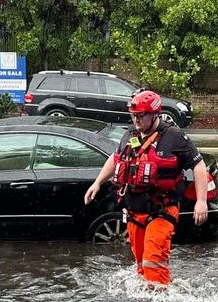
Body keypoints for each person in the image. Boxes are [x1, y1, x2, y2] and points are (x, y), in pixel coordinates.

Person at [83, 90, 208, 285]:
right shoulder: (129, 135)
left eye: (141, 115)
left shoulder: (174, 137)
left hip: (162, 211)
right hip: (134, 212)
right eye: (133, 115)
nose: (136, 120)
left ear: (155, 114)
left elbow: (198, 165)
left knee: (153, 260)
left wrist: (201, 201)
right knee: (141, 264)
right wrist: (97, 182)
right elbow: (116, 159)